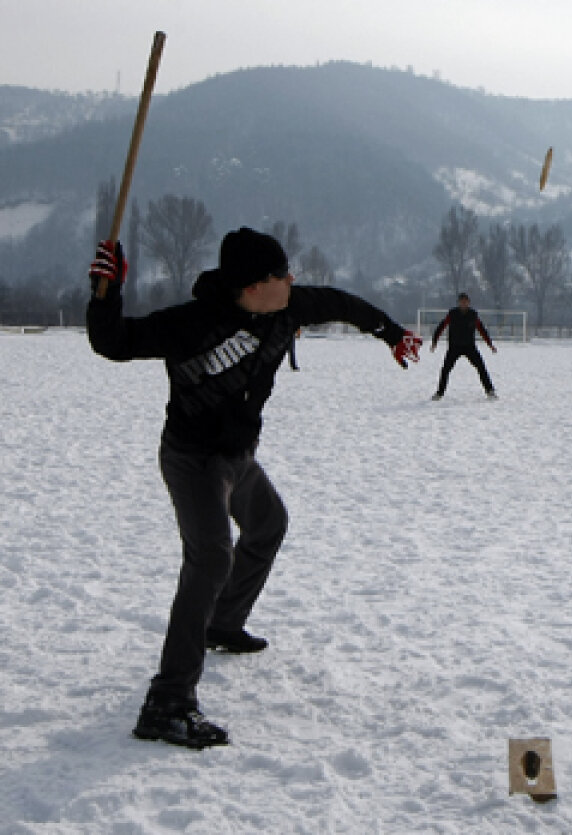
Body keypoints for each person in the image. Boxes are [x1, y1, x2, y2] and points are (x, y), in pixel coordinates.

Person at [86, 227, 422, 749]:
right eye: (282, 273)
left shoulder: (289, 306)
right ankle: (167, 703)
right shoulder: (192, 323)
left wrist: (391, 333)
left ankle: (222, 623)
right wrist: (106, 294)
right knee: (210, 557)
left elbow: (344, 305)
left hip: (238, 457)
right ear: (254, 285)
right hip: (193, 460)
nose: (293, 278)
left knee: (268, 524)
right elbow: (114, 342)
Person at [429, 292, 497, 400]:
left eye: (465, 302)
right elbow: (441, 327)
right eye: (462, 302)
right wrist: (434, 342)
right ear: (459, 303)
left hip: (469, 346)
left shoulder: (473, 315)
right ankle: (439, 393)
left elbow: (482, 329)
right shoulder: (452, 314)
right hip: (454, 346)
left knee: (481, 367)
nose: (464, 303)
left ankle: (490, 391)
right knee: (445, 369)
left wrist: (490, 345)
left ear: (469, 303)